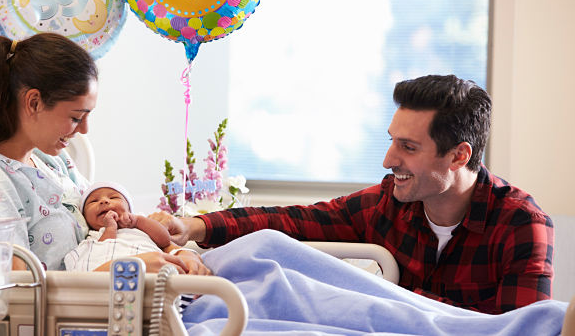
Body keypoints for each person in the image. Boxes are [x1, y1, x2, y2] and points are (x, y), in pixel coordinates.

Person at [151, 74, 554, 314]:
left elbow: (521, 328)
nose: (387, 160)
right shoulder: (389, 203)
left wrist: (396, 300)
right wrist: (193, 226)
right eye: (392, 141)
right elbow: (296, 221)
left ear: (458, 156)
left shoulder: (520, 225)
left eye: (408, 148)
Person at [0, 33, 203, 274]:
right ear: (34, 103)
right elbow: (16, 294)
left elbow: (110, 231)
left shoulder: (51, 161)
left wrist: (177, 253)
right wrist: (120, 271)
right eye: (77, 117)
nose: (85, 129)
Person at [64, 181, 211, 276]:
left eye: (114, 198)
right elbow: (103, 249)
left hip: (157, 273)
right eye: (93, 201)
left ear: (129, 208)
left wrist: (139, 221)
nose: (103, 201)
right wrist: (110, 228)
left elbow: (164, 239)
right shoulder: (94, 236)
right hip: (121, 279)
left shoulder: (140, 225)